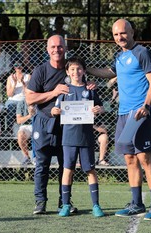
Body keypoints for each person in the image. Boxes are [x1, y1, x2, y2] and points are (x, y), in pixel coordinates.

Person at [87, 19, 151, 220]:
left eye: (123, 33)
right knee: (129, 159)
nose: (119, 37)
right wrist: (85, 68)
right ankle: (136, 204)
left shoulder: (142, 52)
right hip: (123, 115)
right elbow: (109, 73)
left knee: (145, 158)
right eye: (115, 35)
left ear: (131, 32)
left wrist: (146, 107)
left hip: (141, 114)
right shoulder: (119, 56)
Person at [25, 35, 80, 215]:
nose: (57, 50)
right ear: (48, 49)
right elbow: (30, 98)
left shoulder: (71, 69)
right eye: (53, 47)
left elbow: (82, 84)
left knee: (67, 166)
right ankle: (40, 202)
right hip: (44, 123)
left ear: (65, 48)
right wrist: (54, 92)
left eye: (60, 46)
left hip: (67, 125)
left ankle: (64, 202)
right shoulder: (40, 71)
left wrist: (90, 87)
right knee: (42, 165)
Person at [50, 56, 105, 217]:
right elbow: (54, 109)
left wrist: (99, 110)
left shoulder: (90, 89)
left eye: (79, 68)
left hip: (86, 137)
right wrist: (55, 112)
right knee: (68, 169)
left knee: (90, 170)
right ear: (68, 71)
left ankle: (96, 205)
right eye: (72, 69)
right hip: (68, 137)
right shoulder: (64, 90)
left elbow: (101, 107)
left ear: (83, 70)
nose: (76, 72)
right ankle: (66, 205)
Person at [4, 62, 31, 135]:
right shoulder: (10, 78)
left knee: (25, 105)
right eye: (16, 67)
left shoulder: (27, 76)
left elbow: (28, 92)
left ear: (22, 67)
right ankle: (9, 129)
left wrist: (23, 82)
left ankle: (24, 127)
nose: (18, 68)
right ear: (14, 68)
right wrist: (15, 84)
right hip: (13, 100)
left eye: (19, 66)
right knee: (11, 106)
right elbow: (9, 94)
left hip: (23, 99)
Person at [15, 99, 36, 166]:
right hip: (25, 125)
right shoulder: (21, 103)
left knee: (37, 134)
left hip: (37, 124)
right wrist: (30, 115)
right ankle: (27, 157)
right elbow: (18, 120)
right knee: (20, 134)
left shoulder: (39, 100)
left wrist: (34, 112)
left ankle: (36, 157)